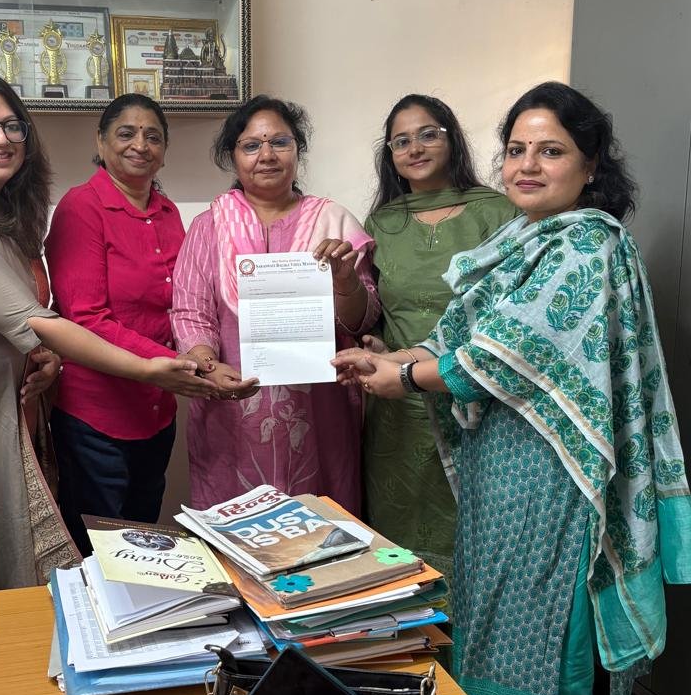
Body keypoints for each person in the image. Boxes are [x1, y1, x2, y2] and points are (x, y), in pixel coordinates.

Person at [334, 82, 691, 695]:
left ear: (591, 165)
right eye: (516, 149)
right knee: (489, 613)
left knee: (543, 631)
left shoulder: (588, 244)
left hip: (554, 473)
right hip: (497, 471)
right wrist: (392, 358)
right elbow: (460, 338)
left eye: (551, 151)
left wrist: (406, 378)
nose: (528, 166)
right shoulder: (519, 240)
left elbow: (508, 354)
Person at [0, 72, 214, 599]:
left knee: (1, 536)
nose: (0, 139)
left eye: (13, 127)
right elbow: (36, 318)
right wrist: (150, 368)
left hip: (0, 397)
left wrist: (45, 354)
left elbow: (26, 315)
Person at [171, 95, 380, 513]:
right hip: (232, 405)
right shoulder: (209, 227)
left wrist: (343, 280)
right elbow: (191, 311)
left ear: (297, 150)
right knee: (238, 527)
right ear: (233, 157)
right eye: (251, 145)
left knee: (321, 525)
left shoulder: (333, 222)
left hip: (319, 409)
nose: (266, 155)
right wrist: (207, 366)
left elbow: (362, 321)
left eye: (280, 142)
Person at [363, 95, 517, 577]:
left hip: (476, 399)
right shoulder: (382, 222)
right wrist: (378, 345)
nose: (415, 148)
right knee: (398, 547)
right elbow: (376, 309)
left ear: (452, 140)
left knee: (479, 539)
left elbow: (511, 311)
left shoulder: (499, 212)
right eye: (401, 141)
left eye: (428, 134)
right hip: (397, 405)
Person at [45, 95, 188, 552]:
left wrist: (201, 356)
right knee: (99, 551)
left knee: (145, 544)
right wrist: (175, 364)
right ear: (101, 142)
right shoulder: (81, 207)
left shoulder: (168, 212)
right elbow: (85, 317)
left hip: (157, 410)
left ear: (164, 151)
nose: (140, 145)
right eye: (126, 133)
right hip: (97, 417)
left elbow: (184, 302)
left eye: (153, 136)